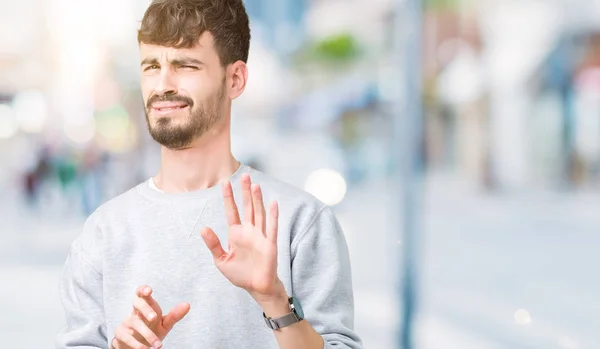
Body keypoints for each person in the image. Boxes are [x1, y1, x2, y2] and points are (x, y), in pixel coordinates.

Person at [55, 0, 363, 348]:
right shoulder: (102, 232)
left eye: (185, 65)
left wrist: (274, 300)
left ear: (235, 79)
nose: (162, 85)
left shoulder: (300, 220)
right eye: (151, 66)